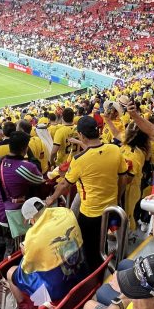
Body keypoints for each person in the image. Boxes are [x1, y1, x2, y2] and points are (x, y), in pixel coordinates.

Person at [46, 116, 127, 271]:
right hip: (111, 208)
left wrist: (52, 198)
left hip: (90, 213)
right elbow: (123, 177)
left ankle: (94, 278)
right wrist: (117, 197)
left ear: (82, 135)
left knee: (90, 250)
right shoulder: (114, 149)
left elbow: (64, 184)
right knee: (102, 242)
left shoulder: (79, 160)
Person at [7, 198, 87, 306]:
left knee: (11, 272)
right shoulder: (65, 212)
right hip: (81, 272)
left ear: (32, 220)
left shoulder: (33, 236)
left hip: (58, 289)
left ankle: (25, 307)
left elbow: (28, 268)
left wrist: (26, 251)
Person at [0, 131, 45, 261]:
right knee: (12, 253)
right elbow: (39, 179)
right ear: (25, 148)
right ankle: (7, 274)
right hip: (10, 218)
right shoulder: (26, 167)